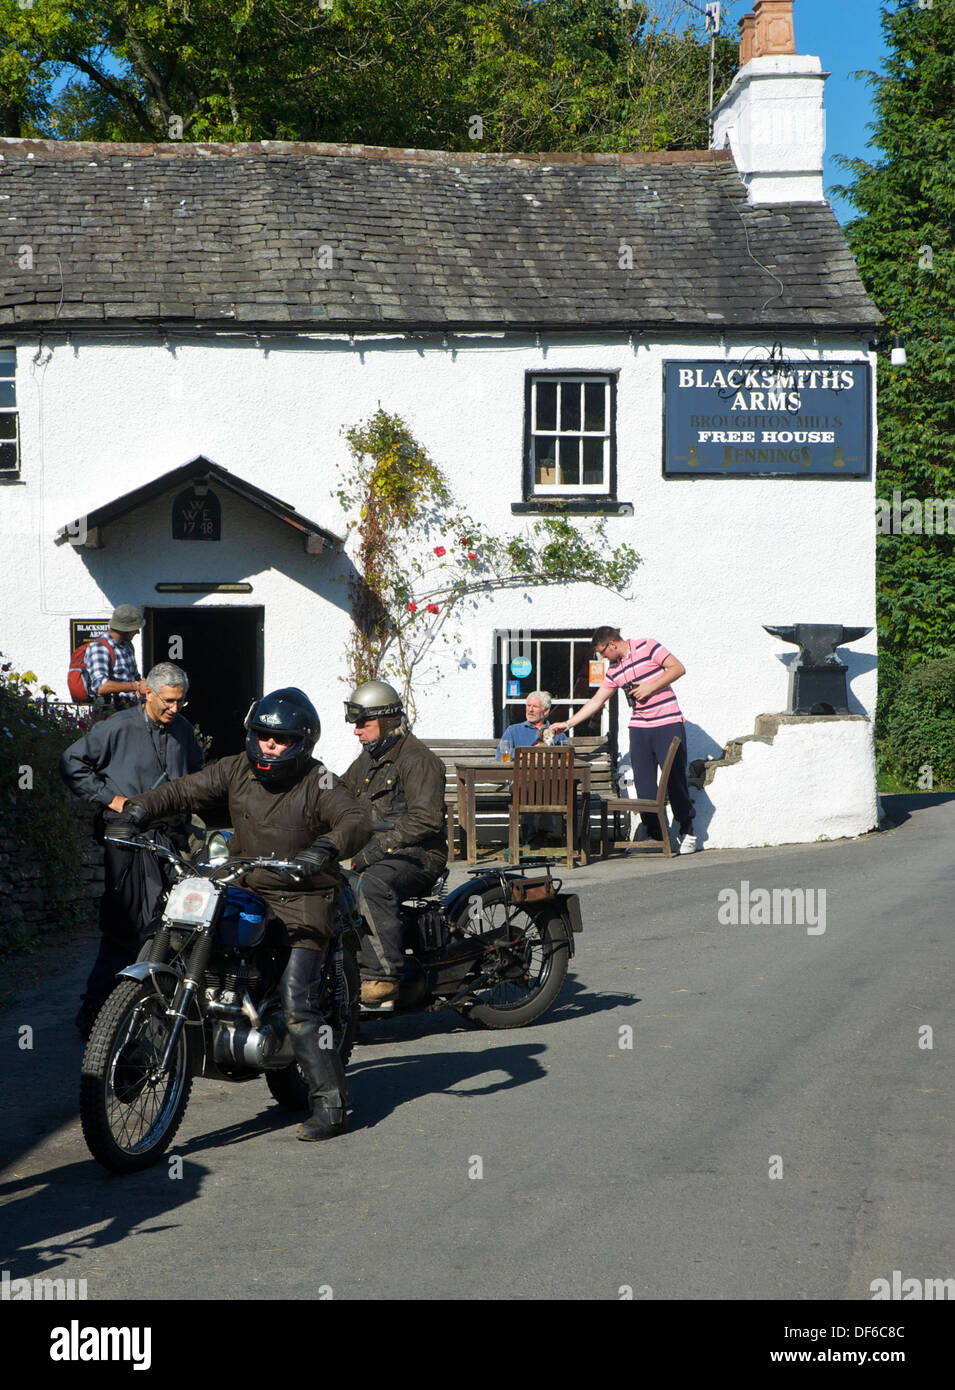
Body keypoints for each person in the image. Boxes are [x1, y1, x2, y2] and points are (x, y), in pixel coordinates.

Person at [119, 687, 371, 1142]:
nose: (268, 746)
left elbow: (355, 819)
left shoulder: (320, 781)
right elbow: (186, 788)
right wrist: (141, 806)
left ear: (302, 742)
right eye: (261, 736)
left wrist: (325, 848)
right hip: (246, 880)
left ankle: (331, 1103)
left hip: (303, 895)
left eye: (281, 740)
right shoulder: (236, 768)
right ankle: (138, 1043)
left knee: (298, 1001)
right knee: (173, 936)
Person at [60, 661, 205, 1038]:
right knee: (128, 926)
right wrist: (112, 799)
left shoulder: (184, 731)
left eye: (181, 702)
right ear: (148, 693)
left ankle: (155, 1008)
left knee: (176, 924)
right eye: (169, 701)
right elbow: (71, 762)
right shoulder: (118, 727)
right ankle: (96, 1015)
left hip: (170, 838)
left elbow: (198, 779)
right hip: (127, 836)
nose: (175, 709)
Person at [340, 680, 447, 1008]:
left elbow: (425, 820)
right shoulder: (370, 758)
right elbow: (340, 792)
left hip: (418, 854)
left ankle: (382, 977)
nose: (357, 731)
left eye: (364, 724)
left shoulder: (418, 760)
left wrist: (369, 853)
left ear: (386, 722)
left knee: (369, 885)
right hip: (382, 851)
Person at [550, 626, 698, 854]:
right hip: (640, 728)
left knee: (674, 779)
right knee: (644, 783)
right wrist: (567, 724)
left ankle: (687, 830)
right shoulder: (614, 670)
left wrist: (651, 686)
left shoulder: (647, 646)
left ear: (612, 644)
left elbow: (678, 668)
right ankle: (656, 834)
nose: (601, 657)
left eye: (602, 652)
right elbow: (597, 700)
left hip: (668, 722)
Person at [497, 690, 568, 848]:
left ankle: (536, 836)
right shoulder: (513, 730)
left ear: (546, 711)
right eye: (528, 706)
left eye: (535, 706)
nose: (530, 709)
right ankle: (535, 836)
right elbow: (500, 756)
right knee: (528, 787)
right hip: (522, 782)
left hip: (550, 783)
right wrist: (523, 756)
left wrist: (553, 757)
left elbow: (567, 755)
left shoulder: (557, 732)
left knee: (546, 787)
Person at [83, 605, 150, 707]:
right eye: (135, 628)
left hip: (129, 707)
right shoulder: (99, 648)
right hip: (110, 710)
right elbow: (101, 686)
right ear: (125, 629)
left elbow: (134, 676)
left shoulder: (128, 646)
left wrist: (144, 684)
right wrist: (135, 686)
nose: (137, 632)